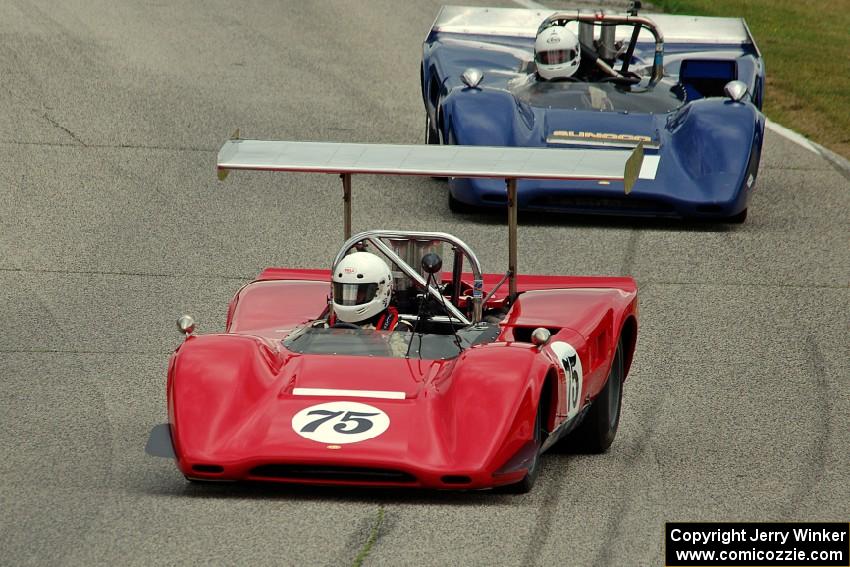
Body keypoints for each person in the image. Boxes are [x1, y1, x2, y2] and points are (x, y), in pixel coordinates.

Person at [328, 251, 411, 331]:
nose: (349, 298)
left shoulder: (397, 330)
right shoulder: (325, 326)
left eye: (359, 292)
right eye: (343, 292)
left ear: (380, 291)